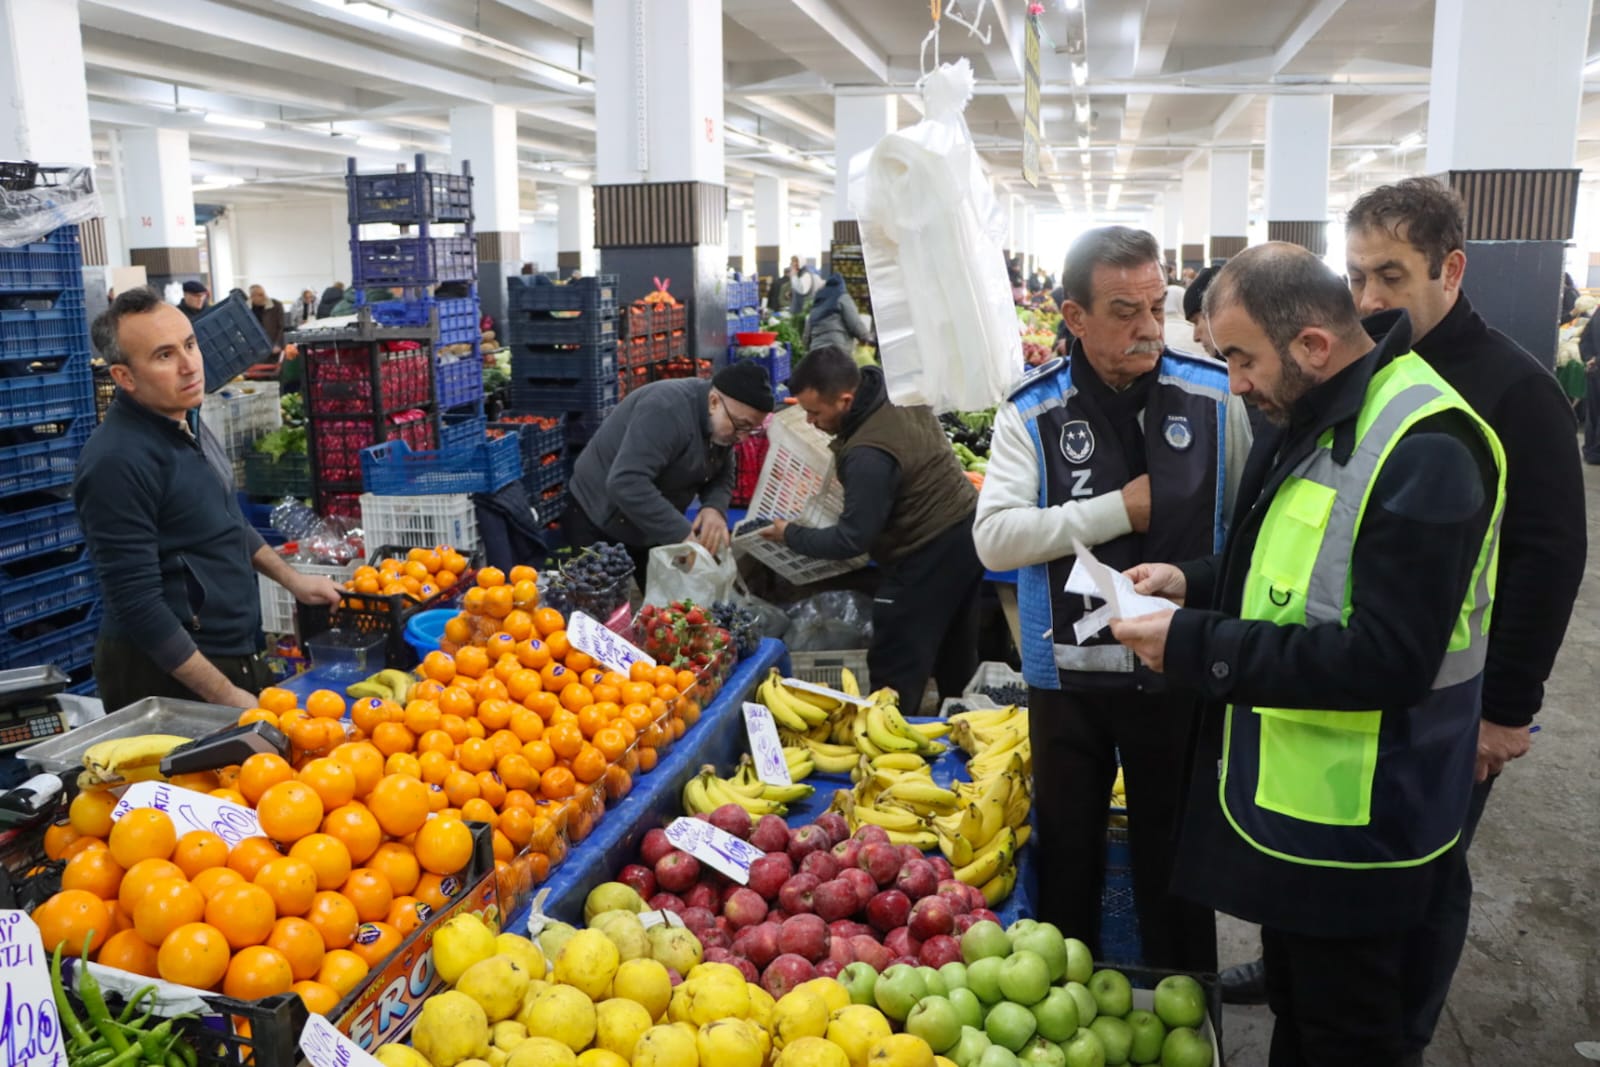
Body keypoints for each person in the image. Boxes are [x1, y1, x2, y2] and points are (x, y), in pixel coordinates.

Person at [1110, 243, 1505, 1066]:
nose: (1236, 383)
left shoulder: (1426, 445)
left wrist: (1193, 645)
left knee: (1347, 1035)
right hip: (1298, 813)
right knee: (1299, 1008)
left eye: (1242, 358)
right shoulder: (1319, 409)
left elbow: (1387, 657)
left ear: (1313, 345)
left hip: (1369, 825)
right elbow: (1292, 570)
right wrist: (1193, 581)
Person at [1338, 178, 1585, 1038]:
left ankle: (1402, 1030)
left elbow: (1549, 557)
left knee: (1428, 867)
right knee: (1356, 851)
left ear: (1451, 269)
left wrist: (1506, 709)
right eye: (1357, 276)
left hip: (1458, 700)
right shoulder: (1370, 368)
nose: (1370, 299)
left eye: (1392, 277)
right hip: (1370, 671)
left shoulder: (1515, 390)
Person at [971, 225, 1252, 973]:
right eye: (1125, 312)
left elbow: (1249, 530)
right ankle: (1066, 1000)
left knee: (1178, 859)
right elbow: (994, 540)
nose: (1149, 328)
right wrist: (1115, 511)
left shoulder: (1214, 397)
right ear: (1075, 317)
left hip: (1180, 667)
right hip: (1067, 680)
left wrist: (1202, 592)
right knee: (1067, 855)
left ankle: (1187, 1003)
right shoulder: (1032, 412)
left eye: (1156, 307)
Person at [75, 288, 344, 712]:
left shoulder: (185, 420)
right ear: (125, 377)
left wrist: (294, 581)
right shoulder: (116, 461)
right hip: (166, 674)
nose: (189, 365)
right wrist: (227, 696)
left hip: (229, 650)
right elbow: (138, 606)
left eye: (189, 344)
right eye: (164, 356)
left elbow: (227, 519)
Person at [761, 346, 984, 710]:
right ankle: (959, 723)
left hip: (927, 548)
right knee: (954, 651)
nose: (810, 421)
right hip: (966, 529)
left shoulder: (868, 452)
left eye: (815, 413)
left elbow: (852, 539)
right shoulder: (890, 389)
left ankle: (890, 731)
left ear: (845, 400)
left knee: (895, 663)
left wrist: (789, 534)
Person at [565, 362, 775, 575]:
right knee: (602, 591)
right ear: (713, 402)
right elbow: (626, 482)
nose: (743, 437)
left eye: (751, 429)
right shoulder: (665, 410)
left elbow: (723, 471)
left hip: (654, 516)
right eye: (741, 426)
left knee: (664, 593)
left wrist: (714, 507)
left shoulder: (723, 421)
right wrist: (681, 533)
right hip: (601, 513)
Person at [804, 273, 872, 356]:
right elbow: (855, 323)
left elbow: (807, 334)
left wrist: (807, 347)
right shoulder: (843, 297)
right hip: (837, 350)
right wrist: (866, 337)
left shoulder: (817, 303)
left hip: (815, 351)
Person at [248, 285, 285, 354]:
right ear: (252, 297)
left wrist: (278, 344)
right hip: (256, 348)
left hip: (273, 347)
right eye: (260, 295)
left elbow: (281, 327)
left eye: (263, 293)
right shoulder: (247, 309)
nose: (264, 296)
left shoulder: (276, 305)